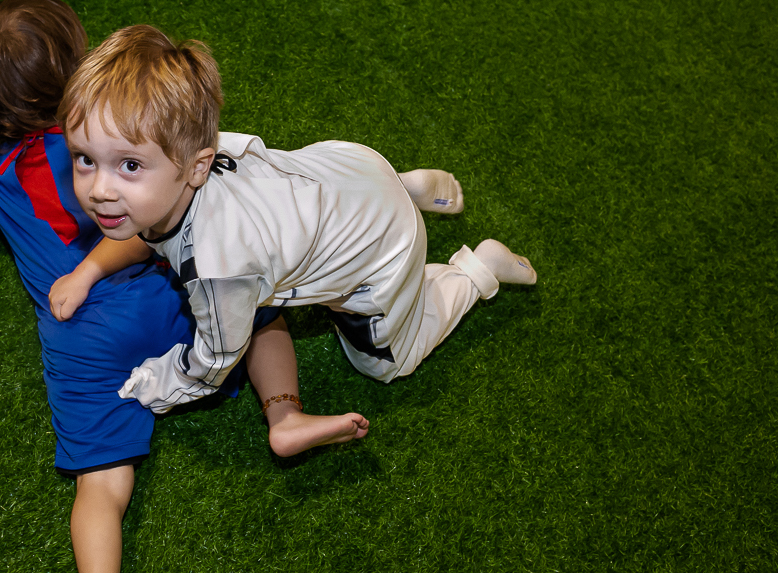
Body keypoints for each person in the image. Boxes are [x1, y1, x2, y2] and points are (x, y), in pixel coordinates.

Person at [0, 0, 366, 573]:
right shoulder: (114, 144)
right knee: (262, 310)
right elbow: (144, 215)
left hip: (83, 341)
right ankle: (284, 412)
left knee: (101, 481)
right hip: (165, 292)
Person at [53, 24, 537, 413]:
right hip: (349, 167)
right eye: (84, 159)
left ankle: (477, 270)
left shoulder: (219, 270)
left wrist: (157, 384)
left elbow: (215, 359)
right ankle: (399, 183)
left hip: (383, 243)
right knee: (324, 193)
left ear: (196, 166)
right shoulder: (191, 147)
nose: (99, 190)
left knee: (387, 365)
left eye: (129, 165)